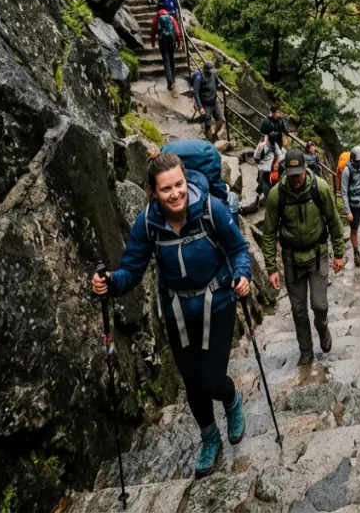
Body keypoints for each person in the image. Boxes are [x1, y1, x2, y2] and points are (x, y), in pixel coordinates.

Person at [91, 152, 252, 479]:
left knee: (211, 379)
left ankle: (231, 399)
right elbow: (132, 271)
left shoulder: (210, 210)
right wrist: (110, 282)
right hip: (177, 311)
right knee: (192, 383)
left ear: (186, 181)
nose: (175, 193)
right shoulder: (148, 223)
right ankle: (210, 438)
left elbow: (237, 249)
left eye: (179, 185)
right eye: (166, 189)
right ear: (153, 192)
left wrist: (243, 274)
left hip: (218, 302)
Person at [261, 148, 345, 366]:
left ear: (305, 168)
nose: (296, 179)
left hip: (318, 256)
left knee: (319, 305)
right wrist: (271, 268)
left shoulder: (320, 188)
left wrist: (339, 253)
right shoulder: (276, 196)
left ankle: (323, 329)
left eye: (299, 173)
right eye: (292, 174)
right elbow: (269, 233)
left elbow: (334, 221)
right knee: (298, 311)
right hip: (291, 260)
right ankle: (306, 353)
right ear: (285, 172)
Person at [150, 7, 183, 91]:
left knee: (166, 61)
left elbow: (152, 32)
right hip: (171, 42)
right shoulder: (171, 18)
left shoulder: (156, 19)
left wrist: (153, 43)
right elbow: (178, 32)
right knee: (172, 59)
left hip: (162, 43)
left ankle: (170, 83)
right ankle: (174, 80)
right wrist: (179, 43)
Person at [193, 61, 225, 142]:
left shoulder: (214, 74)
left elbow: (218, 84)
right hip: (205, 104)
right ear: (205, 69)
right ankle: (210, 142)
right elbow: (196, 93)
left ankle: (214, 134)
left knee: (221, 120)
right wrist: (200, 107)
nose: (210, 71)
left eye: (211, 69)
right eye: (209, 70)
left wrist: (221, 88)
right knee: (208, 125)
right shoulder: (199, 78)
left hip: (214, 101)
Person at [253, 134, 284, 205]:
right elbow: (256, 157)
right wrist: (258, 149)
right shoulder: (261, 146)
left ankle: (259, 194)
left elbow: (281, 156)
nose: (271, 144)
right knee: (266, 184)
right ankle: (267, 200)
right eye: (270, 142)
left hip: (271, 169)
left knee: (264, 182)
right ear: (267, 139)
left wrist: (277, 162)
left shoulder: (274, 145)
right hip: (263, 169)